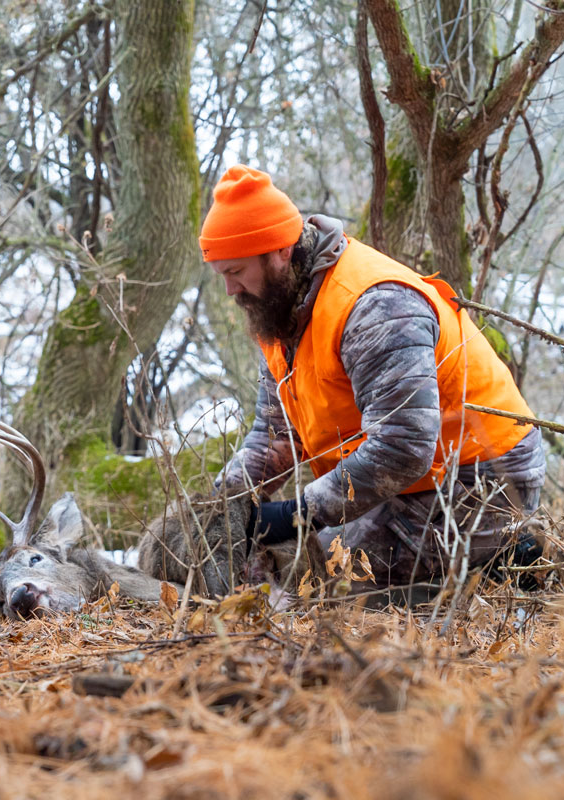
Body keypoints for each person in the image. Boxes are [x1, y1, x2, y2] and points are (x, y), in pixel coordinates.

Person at [202, 165, 546, 590]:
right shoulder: (278, 311)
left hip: (482, 479)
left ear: (280, 252)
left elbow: (403, 447)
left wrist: (297, 514)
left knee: (325, 583)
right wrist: (222, 507)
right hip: (405, 481)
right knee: (296, 568)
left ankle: (500, 554)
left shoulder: (374, 307)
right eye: (223, 276)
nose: (230, 291)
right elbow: (275, 436)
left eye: (236, 272)